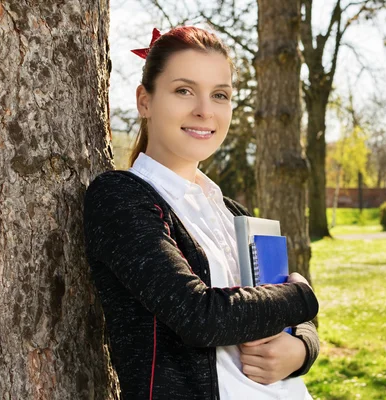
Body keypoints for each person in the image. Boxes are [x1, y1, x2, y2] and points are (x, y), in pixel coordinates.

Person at [82, 26, 320, 400]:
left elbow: (285, 315)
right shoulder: (121, 198)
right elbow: (199, 316)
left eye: (219, 95)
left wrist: (304, 347)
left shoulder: (232, 211)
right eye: (184, 90)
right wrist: (303, 295)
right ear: (145, 100)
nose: (204, 111)